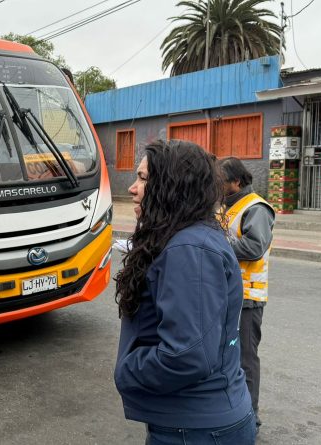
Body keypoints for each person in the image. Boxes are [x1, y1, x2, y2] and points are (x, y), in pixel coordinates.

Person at [114, 140, 255, 445]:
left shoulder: (189, 248)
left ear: (172, 185)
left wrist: (128, 370)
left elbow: (187, 356)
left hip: (196, 430)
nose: (132, 188)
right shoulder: (186, 238)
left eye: (143, 178)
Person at [218, 157, 276, 434]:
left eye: (221, 181)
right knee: (226, 354)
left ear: (237, 182)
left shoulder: (257, 208)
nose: (216, 185)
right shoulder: (228, 206)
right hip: (228, 293)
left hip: (248, 297)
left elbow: (254, 247)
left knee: (245, 358)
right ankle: (231, 408)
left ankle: (250, 415)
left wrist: (216, 242)